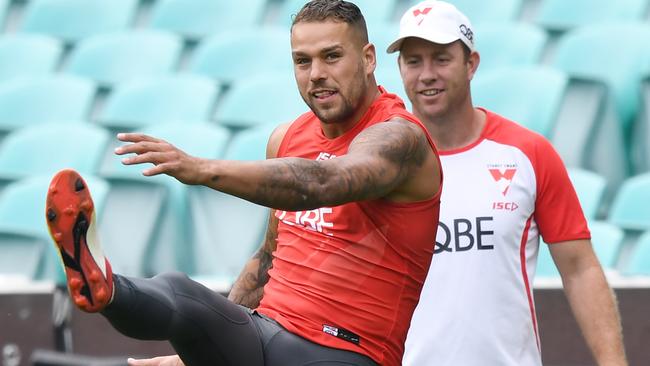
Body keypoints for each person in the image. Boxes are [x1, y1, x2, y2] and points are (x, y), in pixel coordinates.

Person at [45, 1, 442, 366]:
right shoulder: (287, 138)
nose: (317, 73)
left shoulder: (399, 138)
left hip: (345, 351)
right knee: (183, 294)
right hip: (266, 334)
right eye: (302, 61)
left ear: (368, 58)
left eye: (332, 57)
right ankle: (105, 288)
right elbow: (268, 258)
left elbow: (327, 181)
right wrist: (201, 348)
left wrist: (201, 169)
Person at [385, 1, 627, 365]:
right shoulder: (381, 163)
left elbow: (580, 269)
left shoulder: (529, 153)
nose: (427, 74)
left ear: (471, 64)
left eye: (441, 58)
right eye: (414, 61)